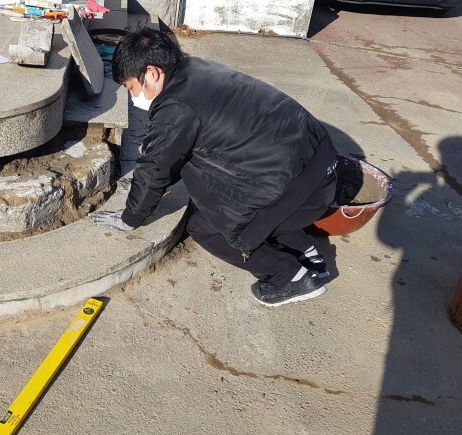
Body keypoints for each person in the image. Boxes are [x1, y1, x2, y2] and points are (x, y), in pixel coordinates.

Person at [90, 29, 339, 307]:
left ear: (152, 73)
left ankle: (290, 277)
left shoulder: (175, 106)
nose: (133, 96)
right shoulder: (197, 67)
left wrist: (130, 218)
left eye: (130, 87)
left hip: (296, 194)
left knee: (204, 226)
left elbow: (156, 167)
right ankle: (306, 252)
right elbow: (176, 156)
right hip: (322, 168)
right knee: (219, 190)